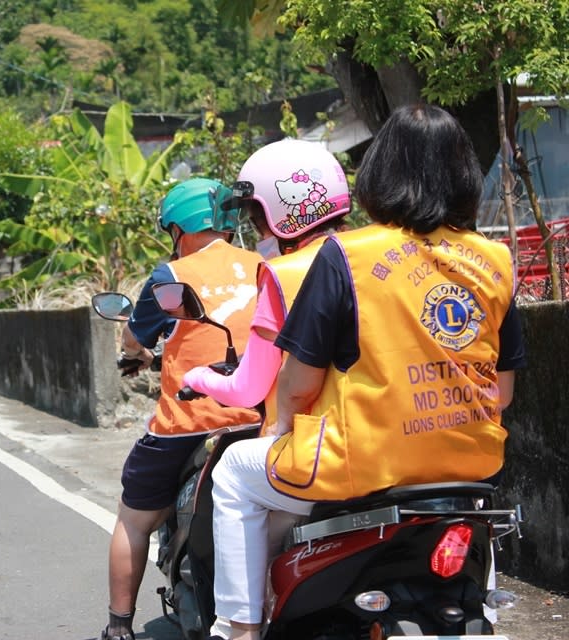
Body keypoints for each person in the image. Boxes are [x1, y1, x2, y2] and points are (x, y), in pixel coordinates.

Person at [211, 103, 528, 640]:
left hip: (362, 467)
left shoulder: (345, 255)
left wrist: (281, 426)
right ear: (465, 175)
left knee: (234, 473)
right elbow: (501, 391)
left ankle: (238, 626)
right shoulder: (494, 259)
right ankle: (485, 619)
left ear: (380, 173)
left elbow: (301, 381)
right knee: (472, 514)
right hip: (469, 466)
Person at [101, 177, 265, 640]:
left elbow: (135, 337)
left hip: (191, 426)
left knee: (133, 518)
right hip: (261, 419)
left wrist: (136, 353)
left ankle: (118, 626)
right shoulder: (263, 267)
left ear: (179, 227)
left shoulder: (171, 277)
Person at [181, 138, 351, 428]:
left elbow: (247, 389)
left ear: (278, 214)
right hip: (388, 429)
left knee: (228, 468)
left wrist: (196, 377)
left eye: (256, 223)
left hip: (321, 442)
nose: (260, 236)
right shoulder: (371, 254)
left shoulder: (282, 276)